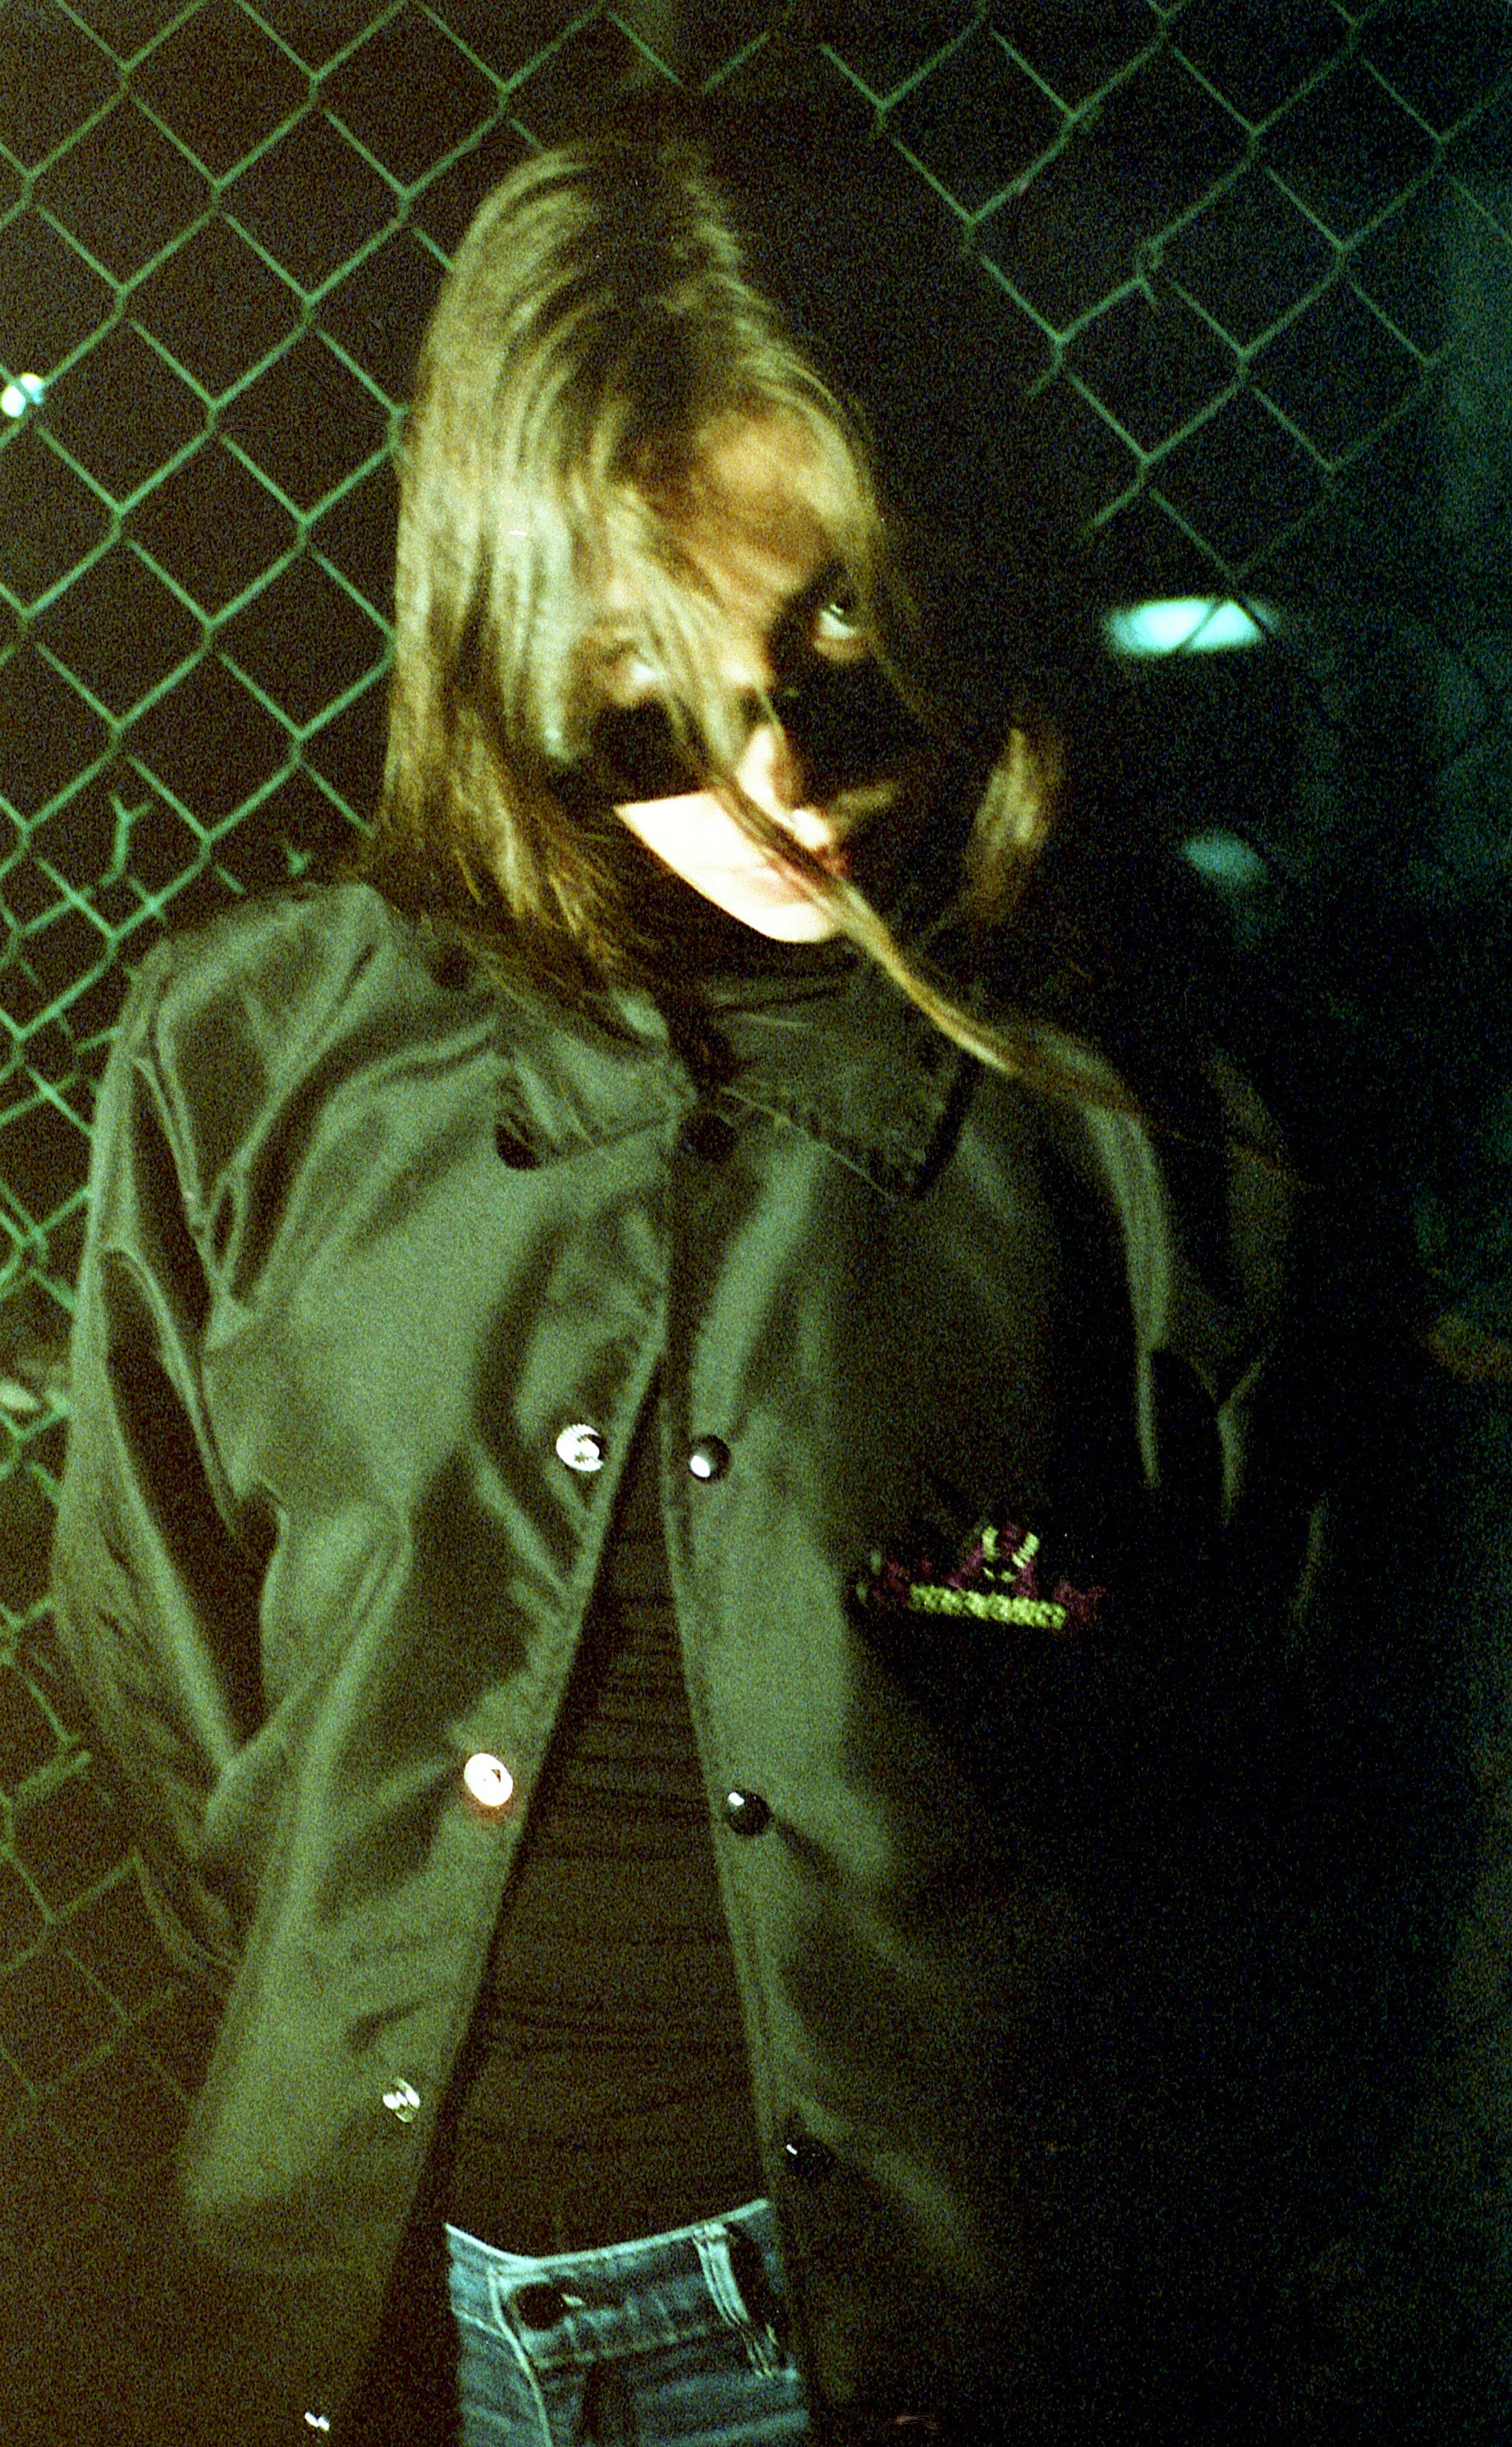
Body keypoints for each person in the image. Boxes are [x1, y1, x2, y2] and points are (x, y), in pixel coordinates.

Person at [45, 89, 1490, 2447]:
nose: (781, 776)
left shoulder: (1183, 1137)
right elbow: (183, 1695)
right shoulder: (249, 1060)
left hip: (958, 2352)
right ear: (495, 637)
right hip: (366, 2325)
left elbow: (1327, 1823)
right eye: (643, 689)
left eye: (847, 638)